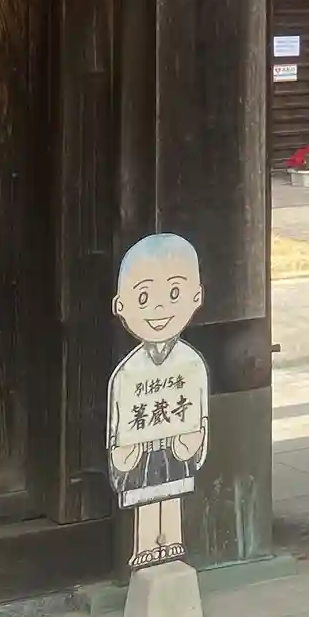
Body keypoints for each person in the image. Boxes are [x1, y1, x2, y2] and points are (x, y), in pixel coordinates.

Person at [107, 233, 210, 569]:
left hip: (175, 445)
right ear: (120, 305)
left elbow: (199, 411)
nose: (160, 308)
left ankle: (173, 540)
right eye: (144, 296)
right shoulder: (128, 371)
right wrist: (121, 450)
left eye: (174, 293)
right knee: (147, 492)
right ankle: (145, 544)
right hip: (141, 448)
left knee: (173, 491)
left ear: (196, 296)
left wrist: (194, 439)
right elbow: (118, 419)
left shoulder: (191, 363)